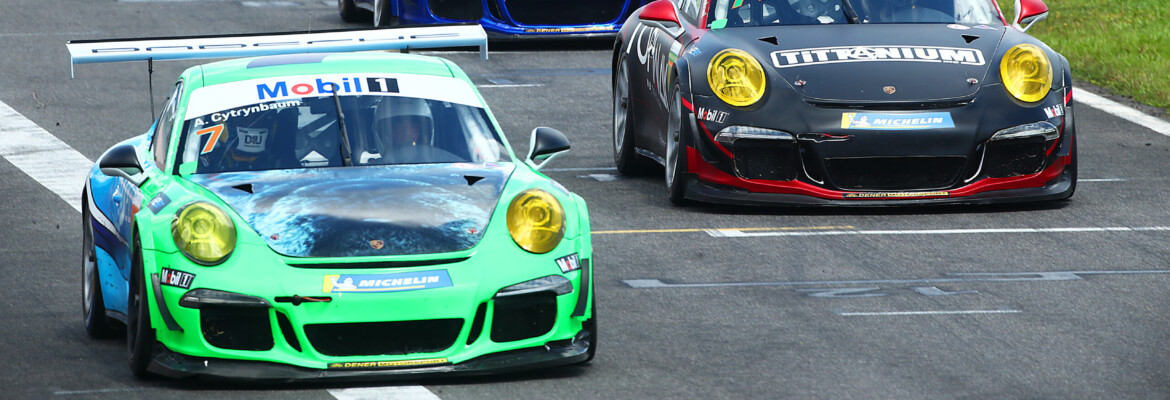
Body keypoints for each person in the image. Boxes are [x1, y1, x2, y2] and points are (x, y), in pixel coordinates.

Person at [371, 96, 460, 164]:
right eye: (398, 127)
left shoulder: (444, 165)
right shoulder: (372, 172)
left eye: (413, 127)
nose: (407, 132)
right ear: (384, 133)